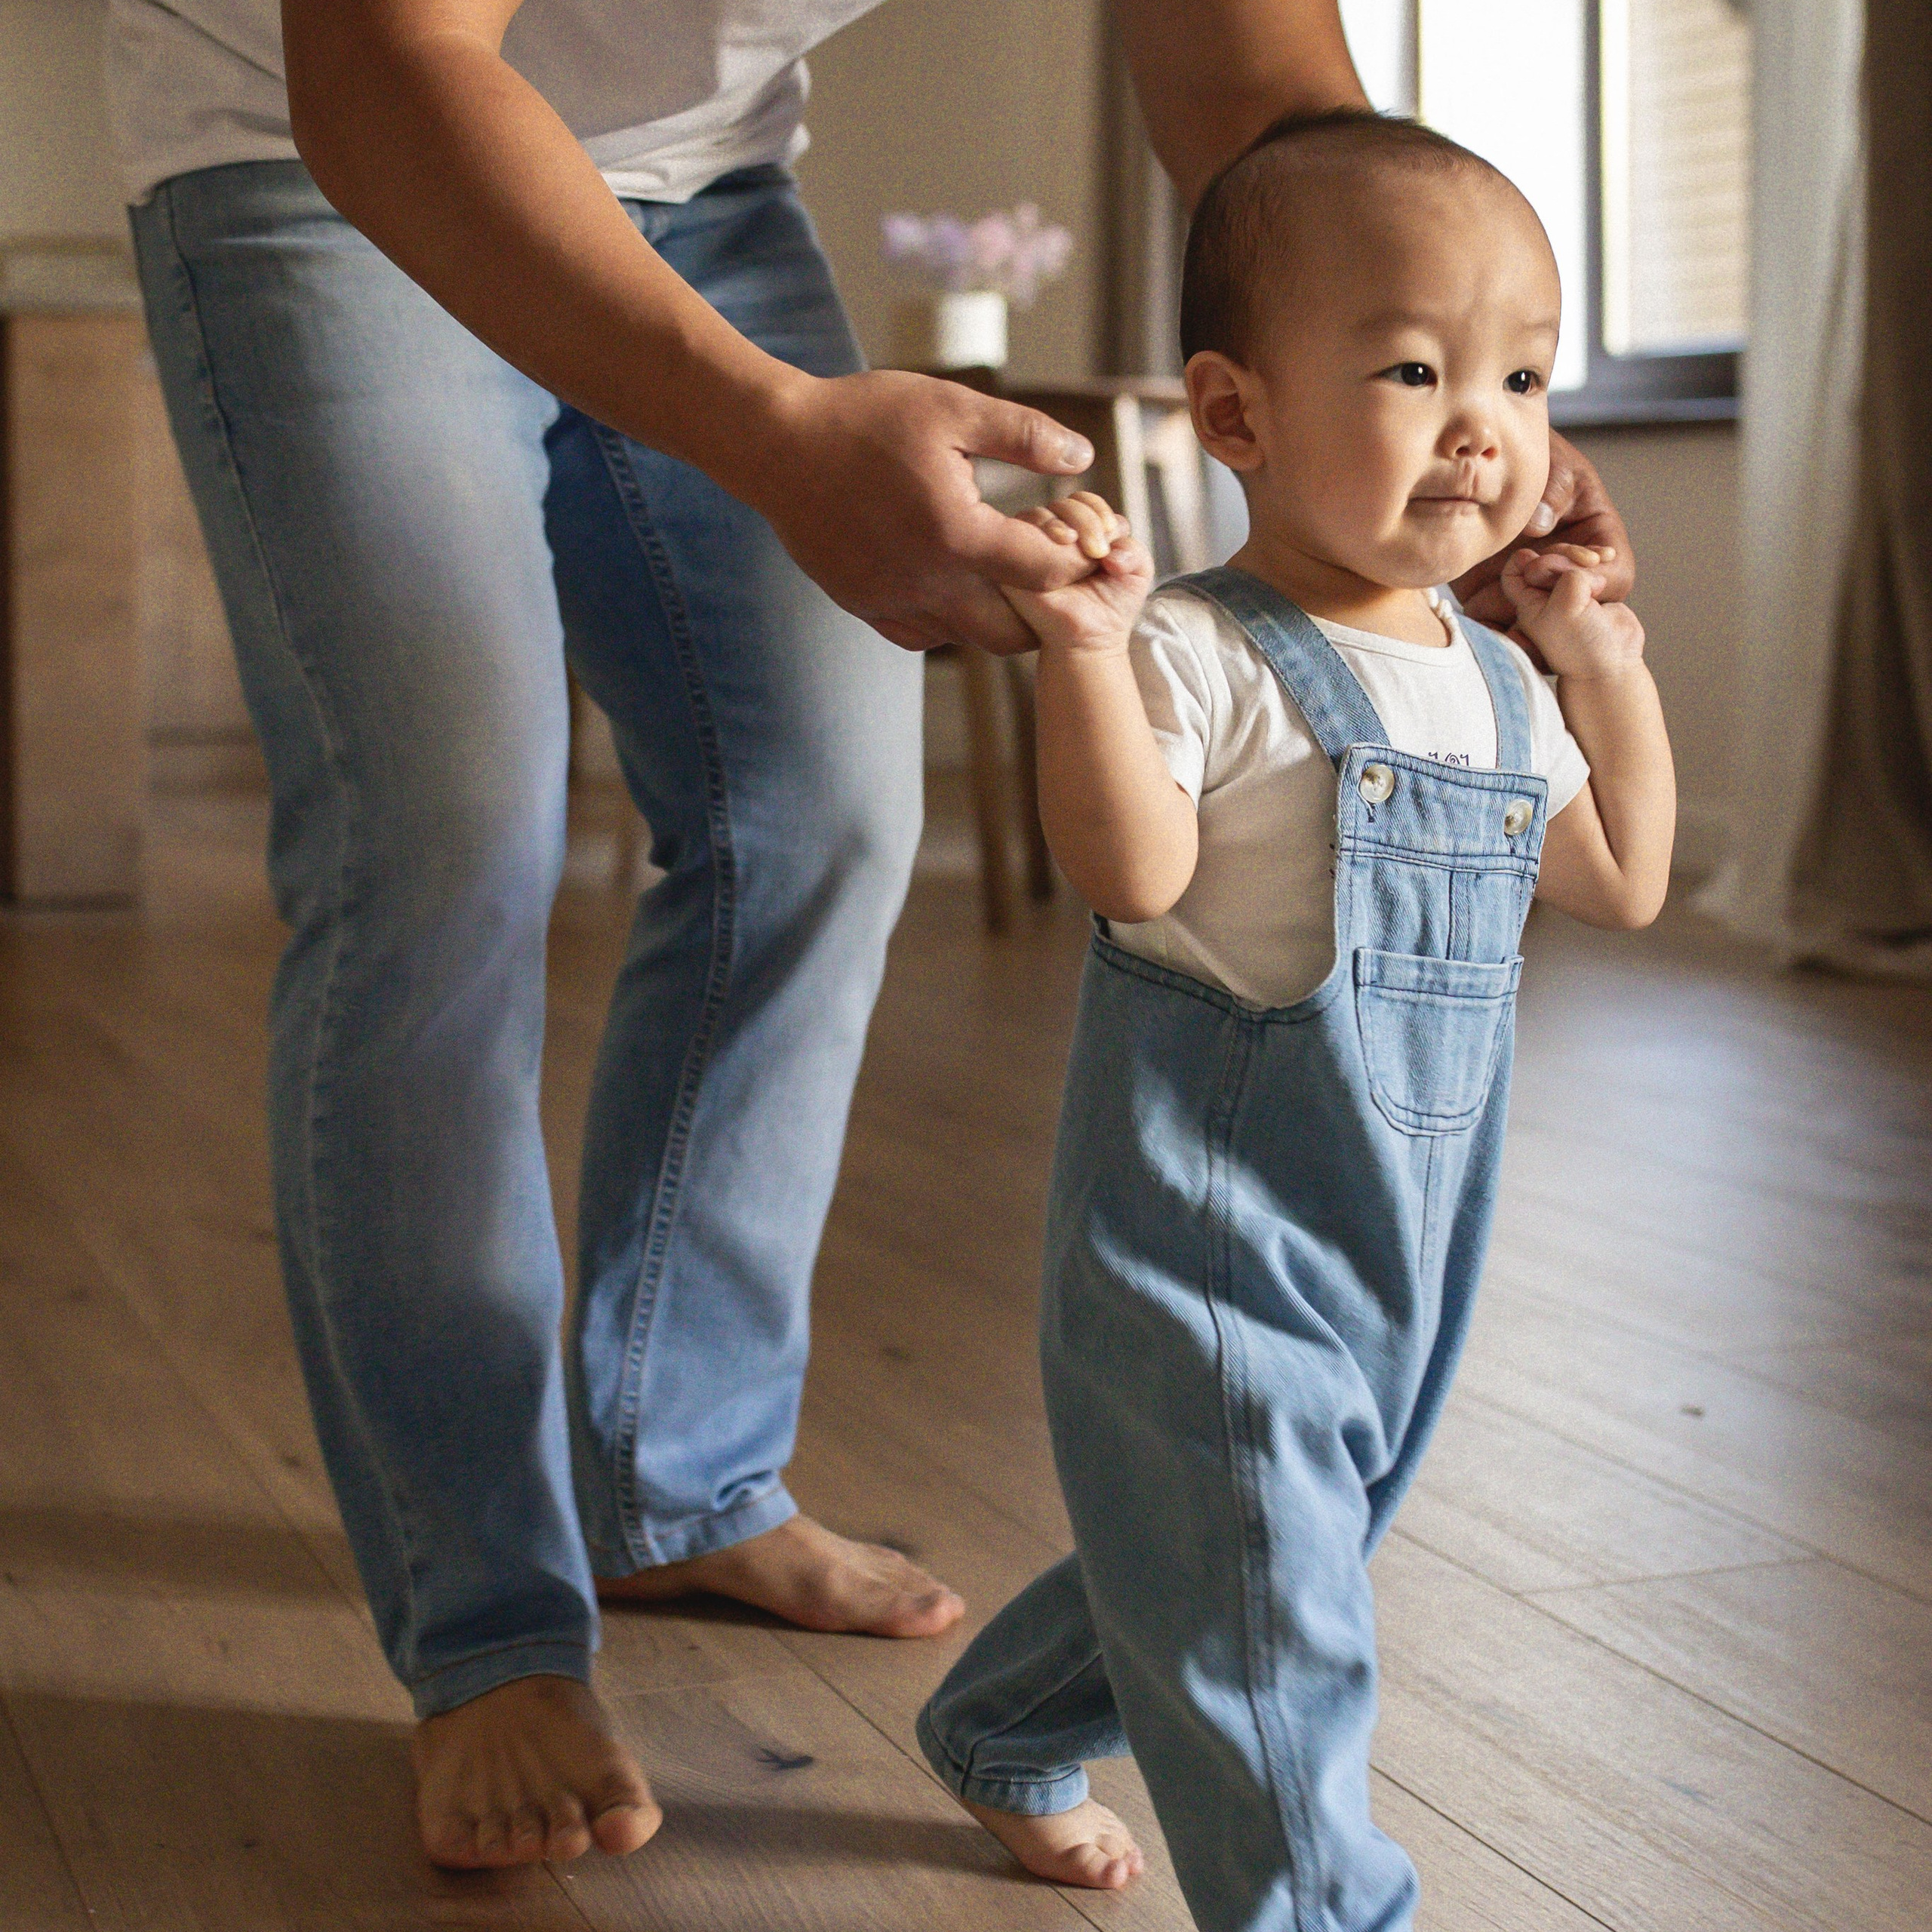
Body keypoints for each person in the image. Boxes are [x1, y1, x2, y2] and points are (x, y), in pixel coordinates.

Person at [105, 0, 1635, 1875]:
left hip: (708, 185)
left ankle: (673, 1473)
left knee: (822, 809)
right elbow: (385, 61)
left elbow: (1263, 105)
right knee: (444, 845)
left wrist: (1419, 389)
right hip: (321, 142)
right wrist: (768, 424)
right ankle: (486, 1621)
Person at [915, 109, 1675, 1932]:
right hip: (1202, 1235)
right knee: (1278, 1610)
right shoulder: (1201, 646)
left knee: (1246, 1554)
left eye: (1518, 373)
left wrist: (1603, 665)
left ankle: (998, 1721)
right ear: (1236, 415)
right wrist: (1081, 657)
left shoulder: (1494, 679)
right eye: (1414, 368)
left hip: (1404, 1250)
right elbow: (1127, 868)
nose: (1481, 422)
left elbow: (1625, 874)